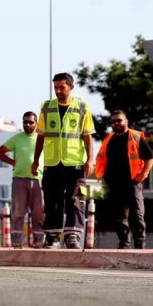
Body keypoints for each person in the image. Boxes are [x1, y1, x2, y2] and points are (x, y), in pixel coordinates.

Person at [31, 72, 95, 249]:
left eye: (62, 87)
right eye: (56, 87)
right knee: (52, 202)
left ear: (71, 87)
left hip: (75, 163)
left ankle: (72, 236)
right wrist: (36, 160)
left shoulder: (82, 107)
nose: (58, 91)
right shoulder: (46, 107)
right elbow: (41, 136)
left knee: (75, 200)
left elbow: (87, 136)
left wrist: (90, 160)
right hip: (52, 164)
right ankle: (52, 237)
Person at [94, 110, 153, 249]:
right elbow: (102, 159)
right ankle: (124, 243)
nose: (116, 123)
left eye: (119, 120)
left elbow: (150, 158)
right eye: (113, 121)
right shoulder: (109, 139)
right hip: (115, 183)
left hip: (133, 181)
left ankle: (140, 244)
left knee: (137, 214)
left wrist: (143, 175)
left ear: (126, 121)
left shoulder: (135, 136)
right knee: (119, 216)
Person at [0, 111, 45, 248]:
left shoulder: (42, 139)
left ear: (36, 123)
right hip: (19, 180)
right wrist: (13, 162)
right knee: (18, 211)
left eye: (30, 122)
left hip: (38, 180)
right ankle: (17, 242)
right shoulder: (16, 139)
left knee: (39, 212)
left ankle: (39, 241)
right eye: (25, 122)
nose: (27, 124)